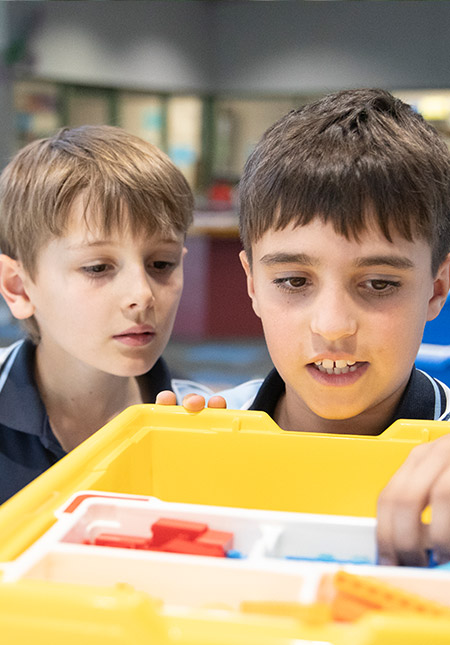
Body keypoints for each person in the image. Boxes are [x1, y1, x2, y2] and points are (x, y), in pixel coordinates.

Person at [158, 88, 450, 568]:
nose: (333, 326)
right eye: (294, 281)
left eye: (379, 284)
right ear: (252, 285)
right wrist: (167, 468)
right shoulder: (207, 428)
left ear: (436, 289)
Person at [0, 124, 215, 505]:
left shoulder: (205, 423)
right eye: (98, 268)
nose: (142, 295)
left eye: (161, 264)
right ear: (18, 287)